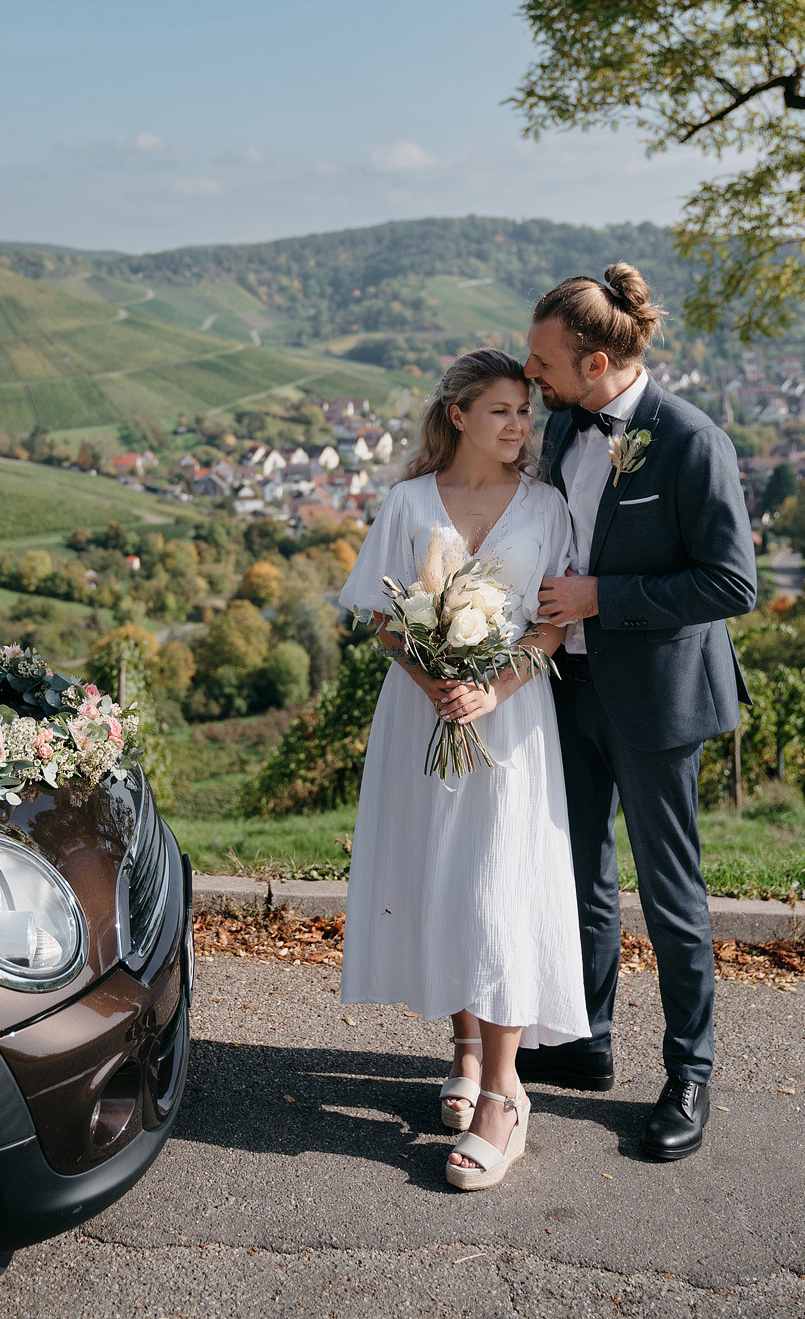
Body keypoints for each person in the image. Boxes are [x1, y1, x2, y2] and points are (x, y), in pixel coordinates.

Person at [338, 348, 588, 1191]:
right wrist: (437, 680)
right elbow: (382, 616)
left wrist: (495, 691)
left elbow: (550, 625)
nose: (520, 427)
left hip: (513, 726)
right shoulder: (409, 504)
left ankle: (505, 1097)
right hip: (424, 716)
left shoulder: (547, 505)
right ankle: (467, 1047)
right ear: (458, 417)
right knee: (443, 880)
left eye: (526, 411)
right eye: (501, 412)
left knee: (497, 888)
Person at [522, 264, 757, 1161]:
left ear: (593, 361)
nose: (531, 374)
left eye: (544, 361)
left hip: (658, 701)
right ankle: (587, 1042)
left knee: (669, 893)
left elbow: (730, 582)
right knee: (580, 873)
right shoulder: (564, 423)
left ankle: (688, 1073)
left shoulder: (693, 442)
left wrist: (600, 597)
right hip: (568, 689)